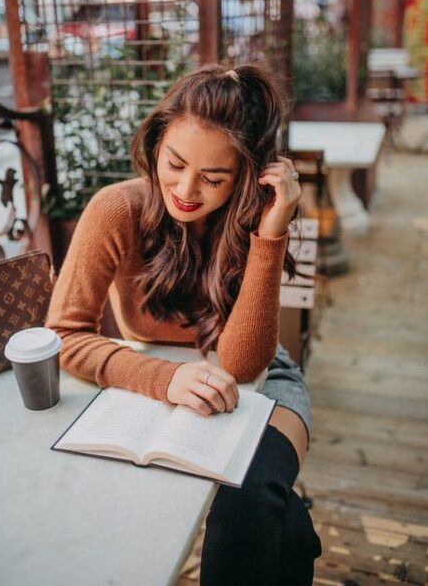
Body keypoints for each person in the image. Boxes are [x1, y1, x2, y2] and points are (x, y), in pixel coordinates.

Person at [46, 63, 322, 585]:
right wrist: (166, 379)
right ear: (155, 143)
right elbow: (64, 335)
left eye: (215, 177)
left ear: (246, 175)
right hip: (145, 385)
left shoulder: (250, 222)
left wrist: (269, 234)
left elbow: (243, 364)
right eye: (174, 163)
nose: (187, 189)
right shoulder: (116, 210)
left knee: (252, 500)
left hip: (266, 384)